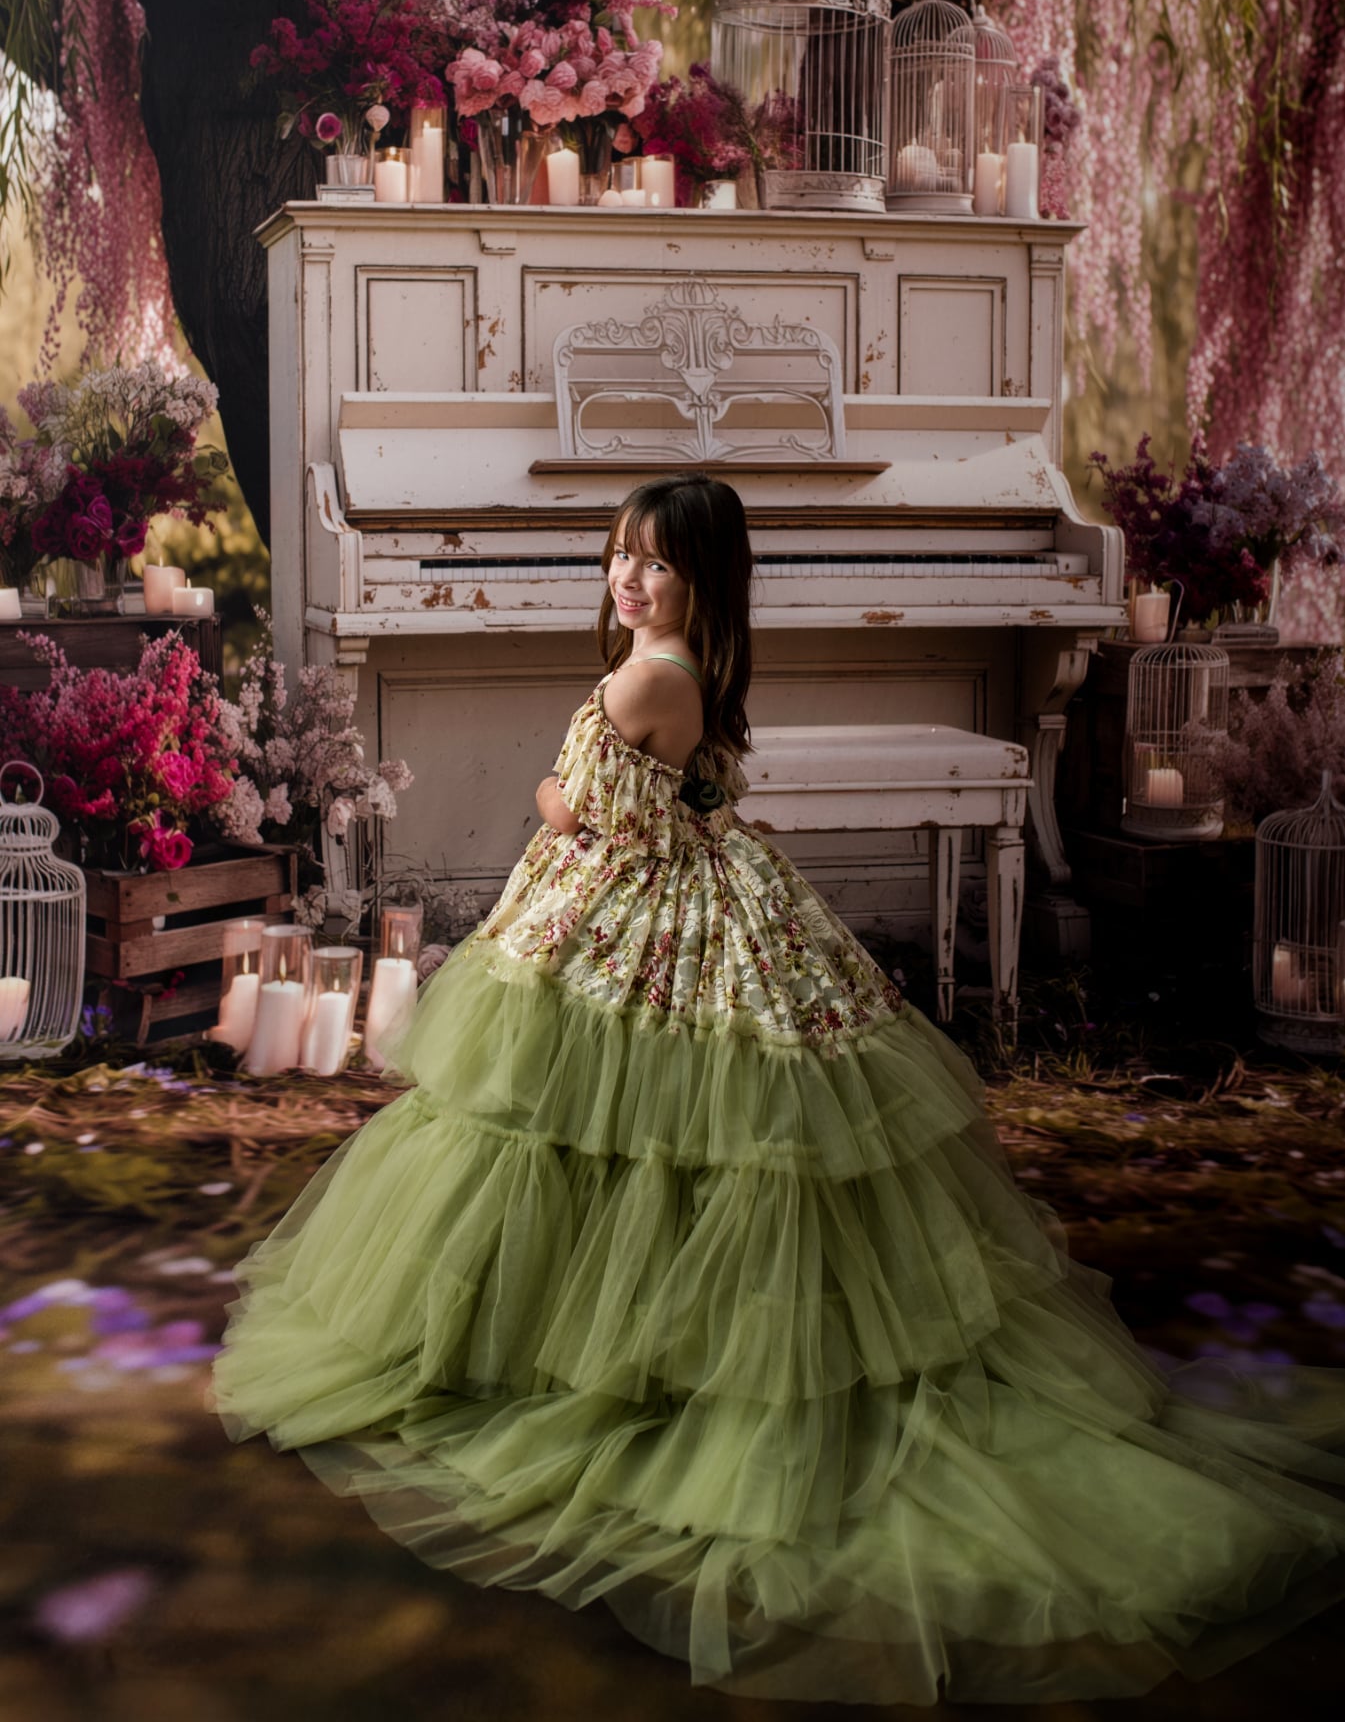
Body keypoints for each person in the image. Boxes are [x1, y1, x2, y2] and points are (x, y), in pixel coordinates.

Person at [214, 472, 1345, 1706]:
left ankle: (602, 1349)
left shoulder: (641, 680)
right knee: (631, 1130)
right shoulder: (688, 663)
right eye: (619, 552)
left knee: (601, 1117)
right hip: (681, 873)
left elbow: (572, 808)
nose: (627, 576)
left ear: (701, 578)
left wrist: (549, 796)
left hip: (630, 902)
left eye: (655, 562)